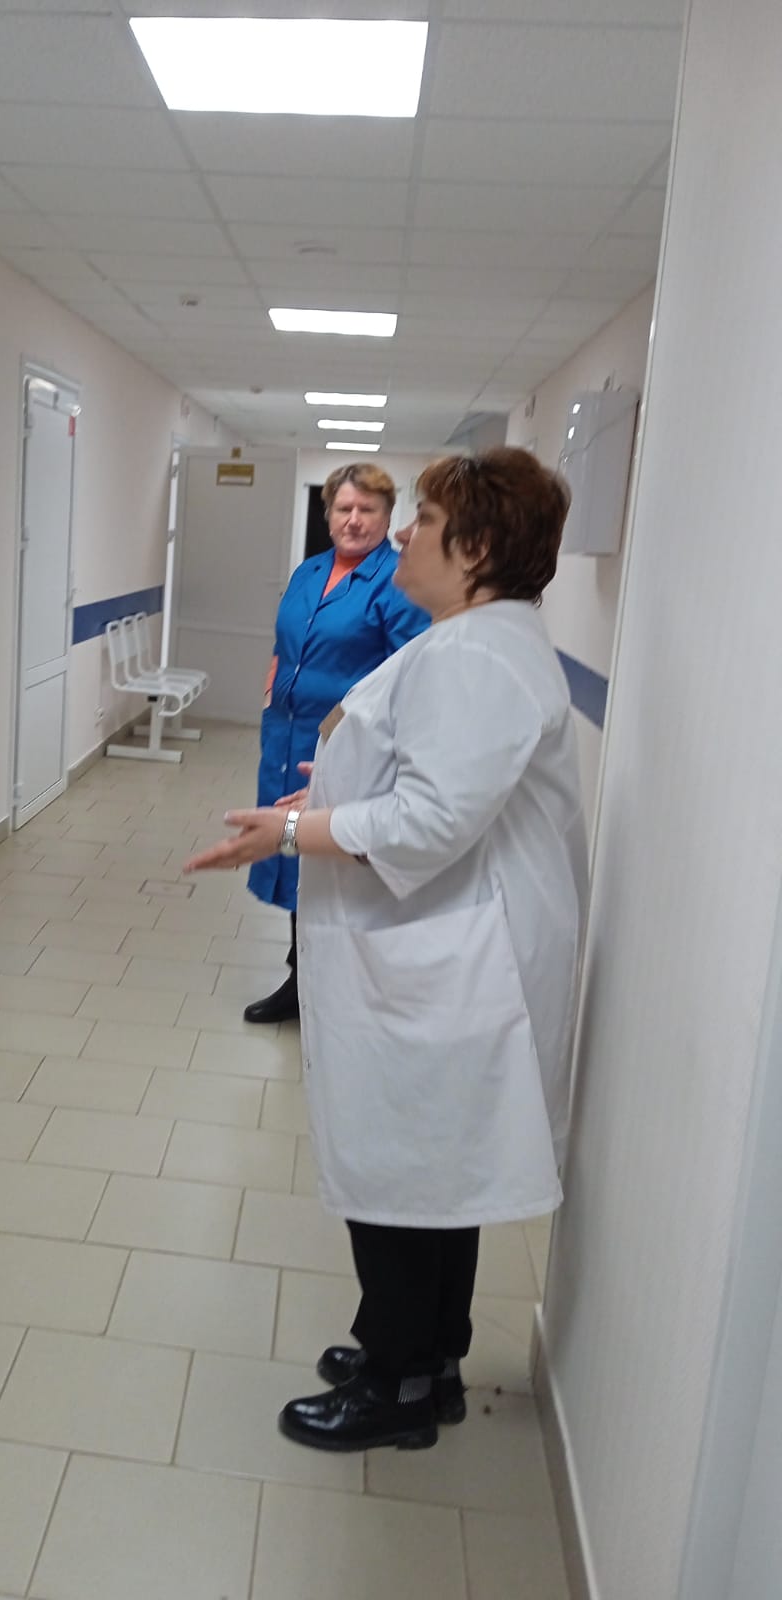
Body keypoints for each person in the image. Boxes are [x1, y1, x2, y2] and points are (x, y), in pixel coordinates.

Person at [186, 447, 588, 1452]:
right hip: (450, 948)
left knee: (406, 1169)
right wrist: (322, 798)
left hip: (453, 960)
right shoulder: (481, 639)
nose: (404, 532)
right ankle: (424, 1356)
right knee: (434, 1173)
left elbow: (428, 819)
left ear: (477, 547)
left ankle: (398, 1383)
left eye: (427, 520)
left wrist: (291, 830)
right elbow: (421, 771)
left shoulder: (476, 656)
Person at [243, 462, 428, 1024]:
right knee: (296, 857)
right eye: (344, 508)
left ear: (388, 517)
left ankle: (334, 986)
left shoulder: (397, 583)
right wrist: (275, 686)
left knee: (335, 864)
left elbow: (410, 674)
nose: (354, 520)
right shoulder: (310, 572)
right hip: (287, 738)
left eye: (367, 509)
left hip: (349, 748)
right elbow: (286, 643)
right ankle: (301, 974)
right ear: (327, 515)